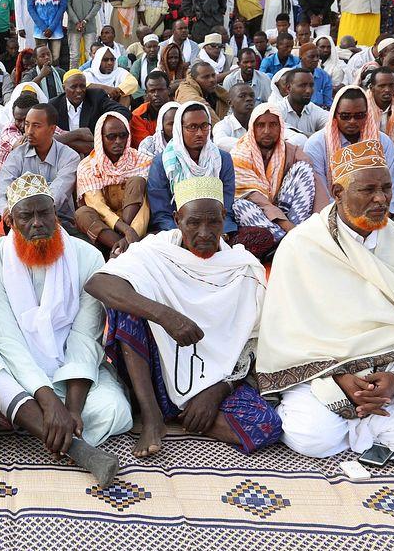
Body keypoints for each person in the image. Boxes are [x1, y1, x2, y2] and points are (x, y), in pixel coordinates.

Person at [88, 176, 281, 458]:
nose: (204, 233)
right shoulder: (156, 250)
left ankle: (180, 412)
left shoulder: (243, 268)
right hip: (155, 373)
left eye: (212, 222)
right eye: (193, 223)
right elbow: (98, 283)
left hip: (215, 377)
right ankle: (152, 415)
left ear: (224, 218)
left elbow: (250, 343)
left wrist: (217, 391)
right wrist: (165, 315)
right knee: (124, 303)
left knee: (266, 426)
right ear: (178, 219)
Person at [0, 173, 132, 485]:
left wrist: (72, 407)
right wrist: (49, 401)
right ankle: (76, 447)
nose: (38, 223)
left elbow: (86, 336)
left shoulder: (87, 257)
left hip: (72, 374)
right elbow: (5, 340)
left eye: (45, 214)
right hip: (15, 368)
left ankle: (31, 424)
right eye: (27, 216)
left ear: (56, 215)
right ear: (10, 221)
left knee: (115, 409)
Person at [258, 139, 394, 458]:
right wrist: (340, 379)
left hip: (391, 366)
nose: (381, 199)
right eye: (368, 190)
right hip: (324, 374)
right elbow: (286, 337)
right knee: (312, 437)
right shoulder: (301, 246)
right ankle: (379, 432)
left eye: (386, 187)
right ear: (338, 192)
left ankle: (370, 427)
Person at [304, 86, 394, 228]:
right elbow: (322, 194)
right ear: (334, 114)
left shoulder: (382, 141)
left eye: (359, 116)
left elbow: (391, 186)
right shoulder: (317, 144)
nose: (352, 121)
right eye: (345, 116)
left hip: (379, 209)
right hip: (334, 213)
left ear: (367, 114)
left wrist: (383, 216)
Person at [229, 103, 326, 249]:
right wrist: (287, 226)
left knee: (304, 168)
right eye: (261, 125)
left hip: (287, 212)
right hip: (261, 214)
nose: (267, 131)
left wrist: (321, 222)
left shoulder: (289, 150)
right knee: (240, 206)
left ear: (281, 127)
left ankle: (297, 235)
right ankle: (290, 242)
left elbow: (315, 182)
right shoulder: (239, 154)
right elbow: (255, 198)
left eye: (273, 124)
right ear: (252, 128)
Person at [148, 102, 236, 234]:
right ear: (179, 129)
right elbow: (162, 215)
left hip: (216, 231)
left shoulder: (222, 159)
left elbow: (226, 209)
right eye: (192, 127)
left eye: (204, 126)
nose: (200, 133)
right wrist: (184, 238)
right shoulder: (163, 163)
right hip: (177, 230)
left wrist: (222, 236)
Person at [74, 112, 151, 254]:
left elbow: (145, 206)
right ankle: (121, 246)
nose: (118, 141)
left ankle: (122, 246)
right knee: (82, 214)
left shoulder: (141, 160)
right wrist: (126, 230)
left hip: (134, 223)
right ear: (100, 138)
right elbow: (98, 206)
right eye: (111, 136)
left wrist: (131, 231)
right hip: (105, 225)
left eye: (123, 136)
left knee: (137, 181)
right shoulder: (88, 166)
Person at [0, 102, 80, 232]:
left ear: (52, 129)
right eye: (27, 124)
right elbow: (3, 189)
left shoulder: (69, 157)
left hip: (59, 220)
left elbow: (57, 194)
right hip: (22, 220)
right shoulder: (17, 155)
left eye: (36, 126)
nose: (29, 131)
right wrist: (7, 209)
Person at [49, 69, 130, 156]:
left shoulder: (96, 97)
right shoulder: (54, 105)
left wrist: (104, 125)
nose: (79, 90)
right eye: (74, 87)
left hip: (94, 153)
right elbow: (47, 136)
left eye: (82, 86)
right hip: (64, 153)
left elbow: (123, 112)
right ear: (64, 88)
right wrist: (78, 134)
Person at [365, 67, 394, 148]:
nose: (387, 89)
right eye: (382, 86)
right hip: (369, 152)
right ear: (371, 88)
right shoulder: (362, 106)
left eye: (391, 85)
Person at [129, 71, 171, 149]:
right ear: (146, 93)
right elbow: (147, 148)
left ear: (169, 90)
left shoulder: (179, 112)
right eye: (152, 91)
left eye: (160, 90)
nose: (156, 94)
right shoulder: (138, 116)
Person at [212, 82, 255, 151]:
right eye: (242, 96)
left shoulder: (260, 122)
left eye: (252, 95)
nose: (249, 99)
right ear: (230, 103)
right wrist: (254, 146)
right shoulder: (223, 125)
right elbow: (219, 142)